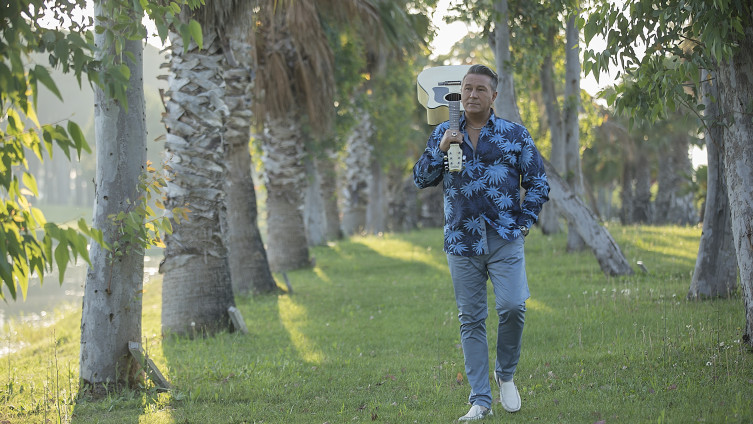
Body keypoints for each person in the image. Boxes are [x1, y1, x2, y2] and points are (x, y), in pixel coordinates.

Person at [412, 64, 549, 421]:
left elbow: (538, 182)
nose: (472, 94)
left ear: (493, 96)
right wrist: (441, 148)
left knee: (513, 306)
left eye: (480, 89)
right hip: (461, 241)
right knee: (471, 319)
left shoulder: (514, 135)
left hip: (505, 237)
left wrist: (524, 222)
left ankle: (506, 374)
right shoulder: (443, 131)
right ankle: (480, 401)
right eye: (467, 88)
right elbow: (421, 179)